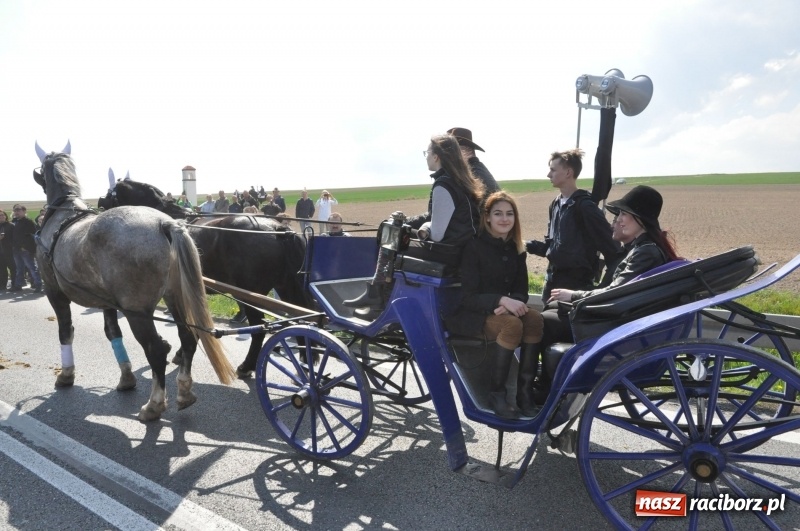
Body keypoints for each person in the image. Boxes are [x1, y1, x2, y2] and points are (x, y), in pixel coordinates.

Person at [536, 185, 679, 402]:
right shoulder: (641, 249)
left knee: (545, 321)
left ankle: (544, 390)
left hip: (617, 327)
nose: (617, 220)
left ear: (640, 220)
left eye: (623, 214)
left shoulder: (645, 252)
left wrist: (574, 296)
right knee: (553, 309)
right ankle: (546, 384)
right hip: (620, 321)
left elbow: (617, 293)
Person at [344, 133, 485, 314]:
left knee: (391, 242)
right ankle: (380, 298)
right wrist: (407, 223)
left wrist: (413, 231)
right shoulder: (461, 181)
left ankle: (377, 297)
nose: (426, 156)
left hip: (447, 253)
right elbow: (438, 216)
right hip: (462, 250)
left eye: (427, 152)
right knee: (396, 236)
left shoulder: (443, 185)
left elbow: (437, 235)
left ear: (436, 156)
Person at [445, 191, 543, 418]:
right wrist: (500, 300)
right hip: (473, 314)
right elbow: (468, 296)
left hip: (502, 310)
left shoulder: (517, 249)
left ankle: (524, 392)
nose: (504, 219)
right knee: (512, 325)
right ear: (487, 217)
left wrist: (512, 302)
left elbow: (521, 290)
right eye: (498, 213)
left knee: (535, 319)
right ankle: (496, 394)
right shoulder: (474, 247)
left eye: (510, 214)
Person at [526, 149, 622, 302]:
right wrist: (525, 245)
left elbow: (613, 248)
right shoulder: (555, 204)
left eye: (552, 170)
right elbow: (551, 246)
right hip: (551, 283)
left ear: (568, 172)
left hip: (575, 288)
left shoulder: (585, 207)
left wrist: (606, 287)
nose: (548, 175)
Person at [447, 127, 500, 196]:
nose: (450, 156)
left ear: (464, 150)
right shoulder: (476, 170)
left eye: (453, 150)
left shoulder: (474, 174)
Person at [10, 204, 42, 292]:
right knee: (19, 268)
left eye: (18, 210)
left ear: (24, 211)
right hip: (16, 249)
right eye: (15, 210)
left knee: (32, 267)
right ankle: (18, 286)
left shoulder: (29, 222)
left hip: (25, 250)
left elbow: (33, 236)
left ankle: (38, 285)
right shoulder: (15, 222)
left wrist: (26, 247)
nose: (16, 212)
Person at [0, 209, 17, 290]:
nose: (1, 217)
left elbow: (16, 238)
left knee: (13, 268)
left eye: (3, 215)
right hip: (0, 252)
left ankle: (14, 284)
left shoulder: (11, 225)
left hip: (10, 251)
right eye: (0, 215)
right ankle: (2, 285)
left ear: (6, 216)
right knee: (2, 269)